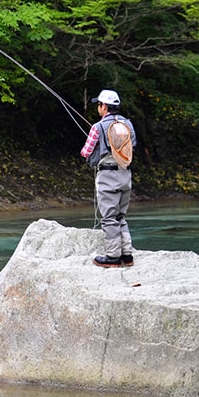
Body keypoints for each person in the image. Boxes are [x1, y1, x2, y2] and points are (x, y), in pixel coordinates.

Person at [80, 89, 137, 268]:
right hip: (125, 174)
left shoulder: (97, 127)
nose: (99, 107)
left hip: (107, 176)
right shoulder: (128, 125)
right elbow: (132, 146)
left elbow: (86, 152)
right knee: (121, 216)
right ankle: (127, 255)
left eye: (99, 104)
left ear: (104, 106)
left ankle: (113, 256)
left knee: (109, 217)